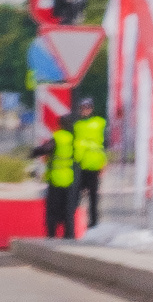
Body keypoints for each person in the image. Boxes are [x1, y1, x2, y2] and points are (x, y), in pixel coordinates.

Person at [32, 117, 78, 239]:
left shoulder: (58, 137)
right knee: (68, 209)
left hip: (56, 179)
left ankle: (51, 234)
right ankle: (69, 234)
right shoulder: (74, 138)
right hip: (69, 179)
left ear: (60, 125)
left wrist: (33, 153)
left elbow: (44, 149)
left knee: (52, 209)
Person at [71, 96, 107, 227]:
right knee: (75, 196)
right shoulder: (77, 124)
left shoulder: (99, 122)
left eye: (88, 107)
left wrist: (103, 163)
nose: (85, 110)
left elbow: (103, 143)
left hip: (94, 164)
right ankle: (74, 222)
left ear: (91, 109)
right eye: (83, 108)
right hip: (80, 164)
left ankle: (93, 223)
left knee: (93, 197)